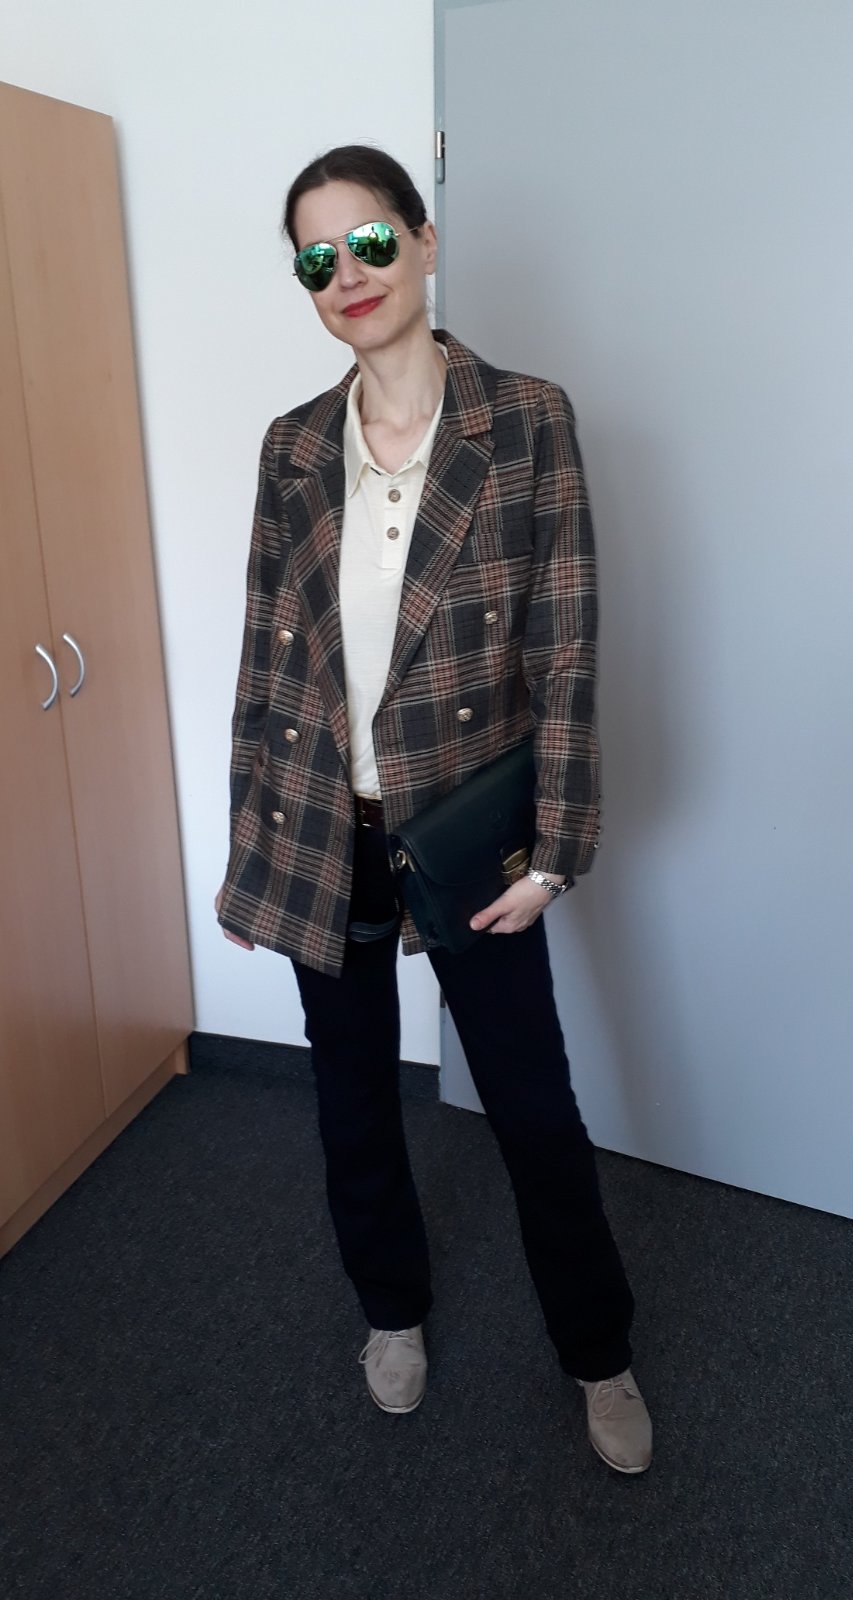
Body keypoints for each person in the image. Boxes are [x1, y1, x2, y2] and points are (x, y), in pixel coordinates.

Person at [215, 145, 653, 1475]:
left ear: (423, 241)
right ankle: (390, 1310)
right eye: (317, 259)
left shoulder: (526, 423)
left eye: (368, 242)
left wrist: (555, 855)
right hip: (324, 828)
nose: (347, 275)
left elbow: (565, 654)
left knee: (531, 1106)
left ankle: (599, 1352)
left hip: (467, 834)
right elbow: (267, 662)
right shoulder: (294, 446)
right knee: (350, 1098)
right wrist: (250, 859)